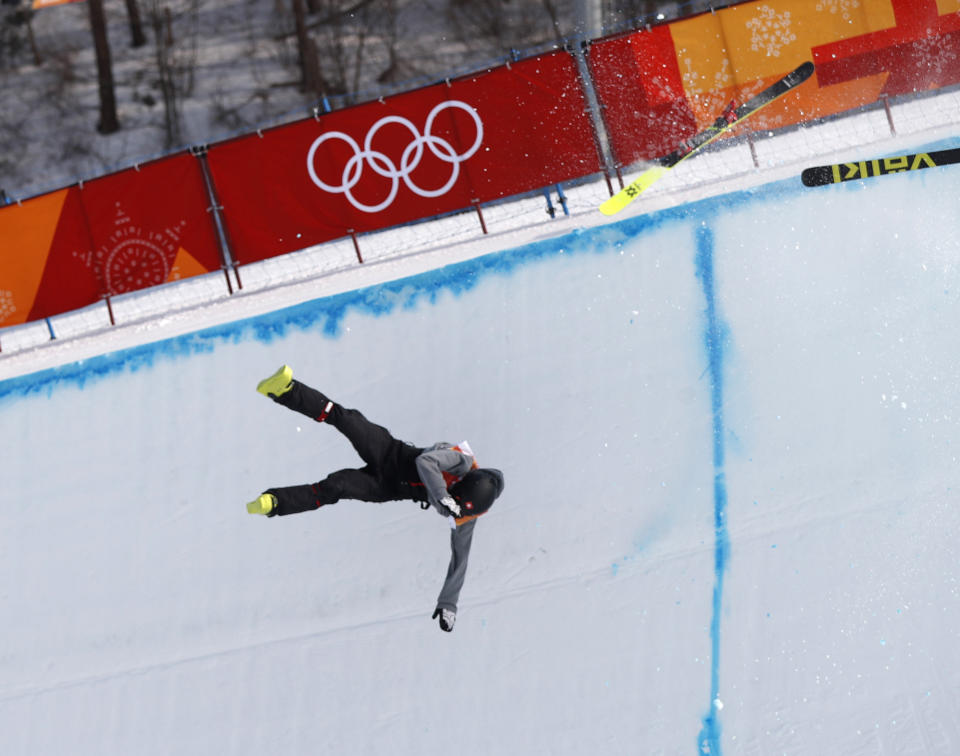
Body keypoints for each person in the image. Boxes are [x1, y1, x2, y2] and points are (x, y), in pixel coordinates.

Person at [246, 365, 504, 633]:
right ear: (464, 481)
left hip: (385, 487)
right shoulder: (461, 461)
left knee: (336, 486)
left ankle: (275, 503)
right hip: (389, 452)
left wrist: (448, 604)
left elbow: (460, 560)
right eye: (455, 496)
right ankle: (285, 390)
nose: (451, 504)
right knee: (345, 418)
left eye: (456, 504)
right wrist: (443, 496)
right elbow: (426, 461)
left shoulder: (465, 514)